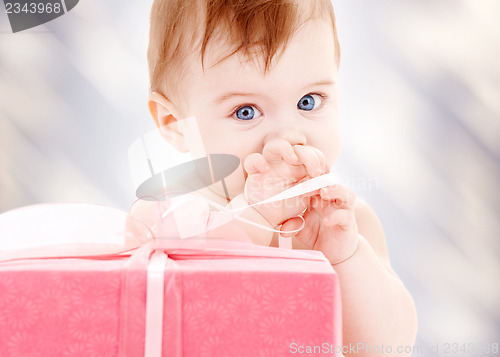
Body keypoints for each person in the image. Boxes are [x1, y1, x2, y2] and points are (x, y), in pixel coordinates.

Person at [129, 0, 417, 354]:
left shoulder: (345, 222)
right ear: (175, 124)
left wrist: (345, 257)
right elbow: (186, 306)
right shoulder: (166, 213)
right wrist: (256, 218)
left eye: (309, 101)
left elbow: (386, 347)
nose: (288, 138)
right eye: (246, 112)